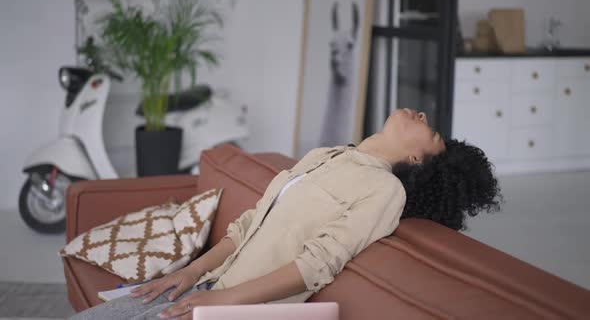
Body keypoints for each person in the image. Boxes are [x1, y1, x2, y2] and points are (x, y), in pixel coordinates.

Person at [70, 108, 501, 320]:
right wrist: (191, 272)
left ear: (417, 158)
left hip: (232, 309)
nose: (423, 115)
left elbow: (316, 264)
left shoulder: (383, 190)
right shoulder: (329, 155)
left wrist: (218, 302)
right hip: (205, 285)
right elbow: (250, 223)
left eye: (432, 131)